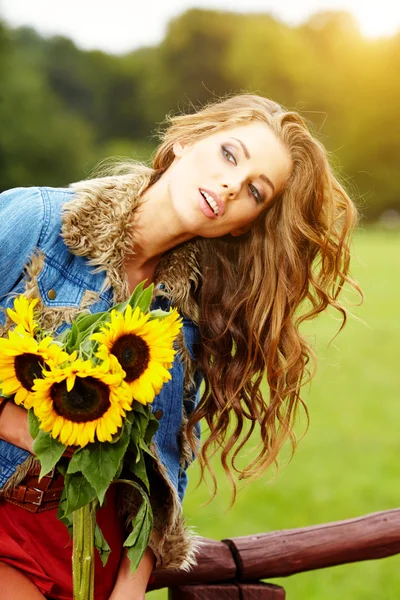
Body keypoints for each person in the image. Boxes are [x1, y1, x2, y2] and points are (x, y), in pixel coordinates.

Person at [0, 93, 360, 599]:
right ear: (184, 141)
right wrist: (18, 423)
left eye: (256, 192)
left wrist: (125, 594)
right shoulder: (35, 221)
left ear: (242, 225)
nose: (233, 184)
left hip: (85, 559)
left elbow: (159, 484)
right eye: (229, 155)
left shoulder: (183, 326)